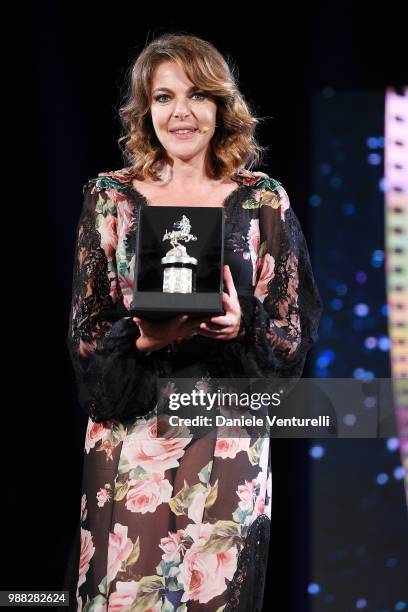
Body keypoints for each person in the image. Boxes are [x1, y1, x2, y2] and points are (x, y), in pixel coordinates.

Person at [64, 32, 322, 611]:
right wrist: (143, 338)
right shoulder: (111, 197)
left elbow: (293, 326)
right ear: (144, 108)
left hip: (227, 431)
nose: (180, 112)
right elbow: (86, 330)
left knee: (213, 595)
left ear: (221, 108)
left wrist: (241, 326)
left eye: (197, 95)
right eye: (162, 97)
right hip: (132, 436)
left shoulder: (263, 199)